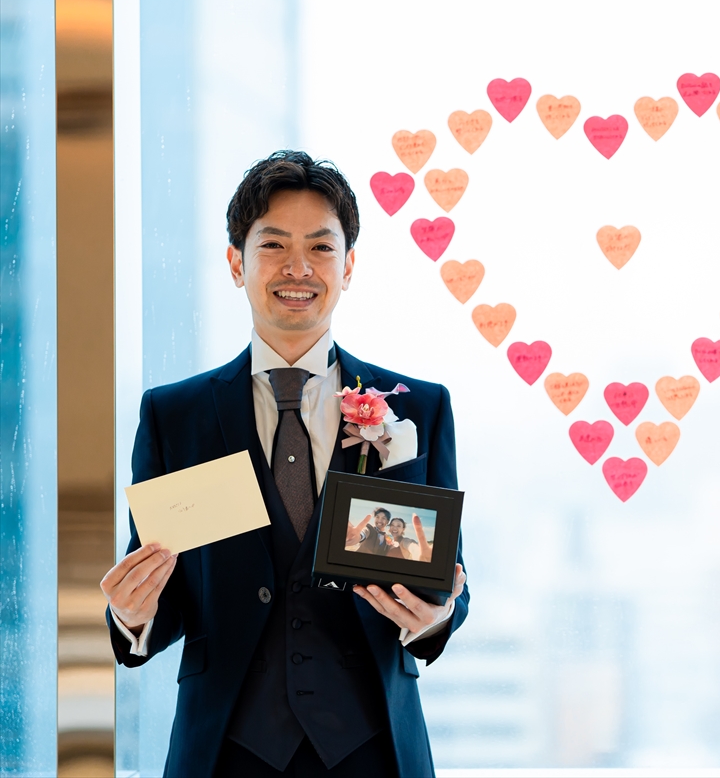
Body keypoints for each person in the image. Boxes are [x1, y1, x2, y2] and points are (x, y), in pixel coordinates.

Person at [99, 151, 469, 778]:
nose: (298, 268)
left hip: (374, 750)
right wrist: (132, 615)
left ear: (348, 266)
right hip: (223, 754)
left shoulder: (418, 409)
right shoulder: (174, 416)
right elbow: (164, 592)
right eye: (273, 245)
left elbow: (449, 579)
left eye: (321, 247)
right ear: (235, 262)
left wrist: (437, 618)